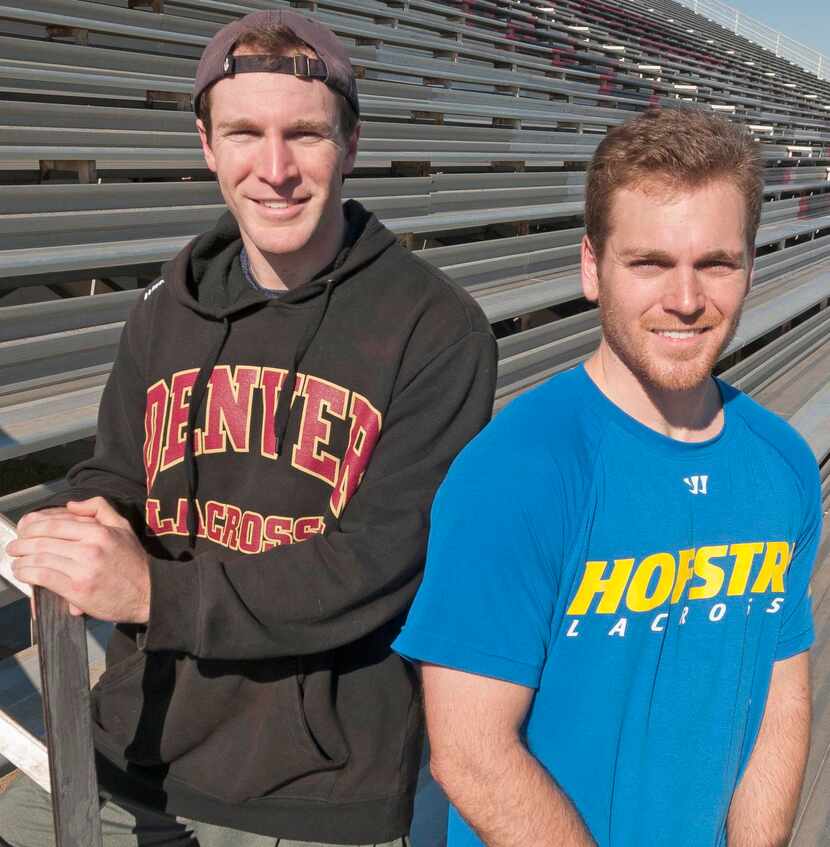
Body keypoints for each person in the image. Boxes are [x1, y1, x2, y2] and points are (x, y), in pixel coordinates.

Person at [3, 10, 496, 846]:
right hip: (132, 743)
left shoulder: (436, 328)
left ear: (351, 143)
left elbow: (375, 565)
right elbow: (120, 469)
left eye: (303, 134)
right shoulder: (166, 309)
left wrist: (153, 592)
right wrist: (88, 518)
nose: (275, 170)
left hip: (310, 793)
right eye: (244, 133)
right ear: (206, 144)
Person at [393, 107, 820, 847]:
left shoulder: (780, 465)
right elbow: (470, 752)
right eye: (649, 262)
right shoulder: (513, 473)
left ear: (751, 263)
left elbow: (781, 697)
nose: (686, 299)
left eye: (715, 262)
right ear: (592, 267)